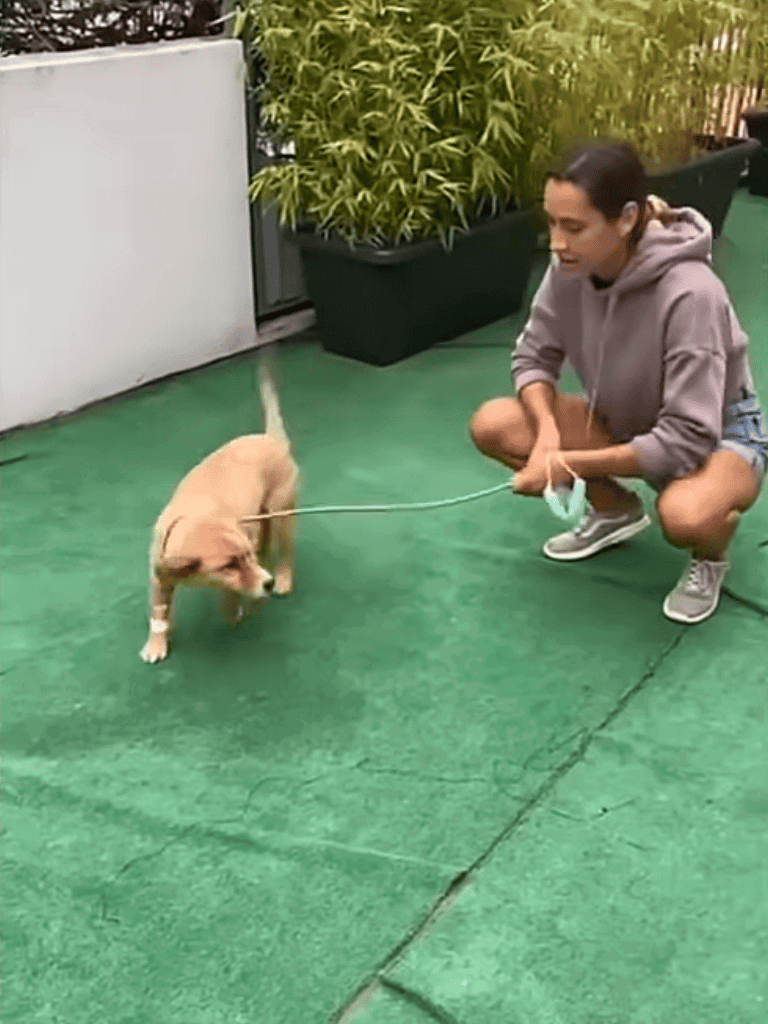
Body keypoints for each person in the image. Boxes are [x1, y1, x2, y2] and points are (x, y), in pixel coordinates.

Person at [469, 137, 768, 624]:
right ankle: (614, 511)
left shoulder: (692, 293)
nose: (557, 243)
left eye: (574, 227)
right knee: (495, 425)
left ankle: (711, 556)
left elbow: (686, 437)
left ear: (627, 219)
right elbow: (534, 356)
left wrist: (566, 463)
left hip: (716, 433)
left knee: (686, 515)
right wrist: (547, 436)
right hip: (624, 414)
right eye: (551, 223)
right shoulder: (570, 267)